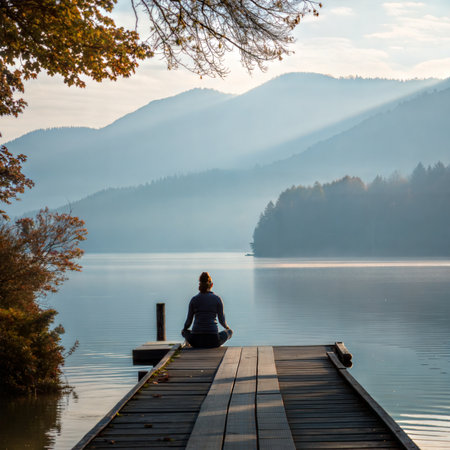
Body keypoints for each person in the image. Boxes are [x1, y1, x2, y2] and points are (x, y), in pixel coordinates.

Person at [181, 272, 233, 348]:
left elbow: (188, 322)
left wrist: (185, 330)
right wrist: (227, 328)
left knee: (184, 332)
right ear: (211, 285)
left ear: (199, 285)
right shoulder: (217, 299)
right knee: (230, 332)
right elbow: (222, 321)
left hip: (196, 341)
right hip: (213, 340)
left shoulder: (194, 300)